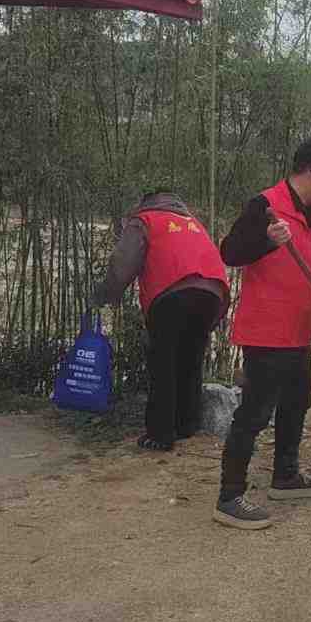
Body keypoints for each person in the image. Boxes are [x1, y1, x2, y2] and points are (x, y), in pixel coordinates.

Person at [212, 137, 311, 530]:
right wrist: (266, 241)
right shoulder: (266, 206)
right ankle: (229, 497)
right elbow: (230, 252)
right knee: (255, 412)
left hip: (299, 331)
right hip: (266, 330)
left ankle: (285, 477)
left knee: (298, 399)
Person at [91, 190, 229, 453]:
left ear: (144, 202)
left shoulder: (145, 219)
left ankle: (160, 434)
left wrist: (105, 294)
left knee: (163, 362)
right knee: (190, 358)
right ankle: (186, 424)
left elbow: (123, 263)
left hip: (172, 292)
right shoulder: (191, 221)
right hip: (213, 293)